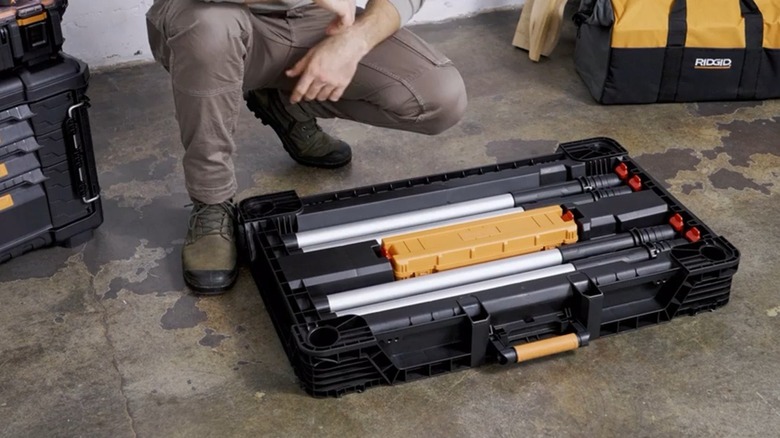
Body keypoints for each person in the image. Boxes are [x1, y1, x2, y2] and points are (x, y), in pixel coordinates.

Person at [146, 0, 468, 295]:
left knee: (440, 96)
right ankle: (211, 201)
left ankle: (286, 103)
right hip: (219, 14)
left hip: (316, 18)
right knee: (208, 30)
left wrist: (355, 40)